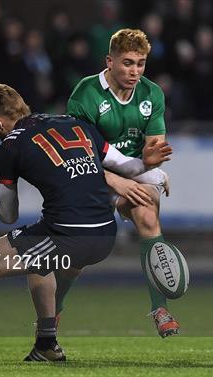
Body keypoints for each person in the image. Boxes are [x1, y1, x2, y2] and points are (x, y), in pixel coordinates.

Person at [0, 83, 172, 364]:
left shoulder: (9, 147)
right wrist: (154, 175)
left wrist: (3, 208)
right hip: (104, 234)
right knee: (39, 264)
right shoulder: (74, 123)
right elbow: (126, 165)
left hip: (68, 235)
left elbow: (9, 215)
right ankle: (47, 344)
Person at [27, 28, 184, 338]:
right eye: (127, 63)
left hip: (132, 172)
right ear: (109, 61)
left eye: (140, 63)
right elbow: (80, 153)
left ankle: (160, 307)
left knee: (147, 213)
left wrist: (151, 161)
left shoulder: (151, 94)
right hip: (90, 174)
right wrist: (121, 182)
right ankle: (54, 309)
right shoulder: (86, 93)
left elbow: (153, 148)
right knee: (79, 256)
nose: (135, 71)